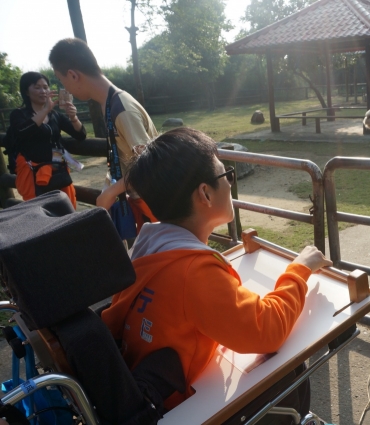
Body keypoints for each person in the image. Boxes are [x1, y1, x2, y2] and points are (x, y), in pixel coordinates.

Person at [101, 127, 332, 422]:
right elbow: (267, 331)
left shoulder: (147, 248)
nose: (231, 184)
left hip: (143, 390)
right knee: (291, 366)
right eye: (227, 176)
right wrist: (301, 269)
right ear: (205, 194)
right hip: (177, 408)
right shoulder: (195, 272)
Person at [48, 38, 157, 234]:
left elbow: (149, 166)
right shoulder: (109, 103)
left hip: (157, 205)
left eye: (61, 80)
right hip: (144, 201)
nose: (65, 87)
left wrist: (112, 192)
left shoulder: (121, 109)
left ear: (73, 75)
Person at [9, 72, 86, 209]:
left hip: (57, 170)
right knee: (38, 212)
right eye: (37, 87)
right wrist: (44, 110)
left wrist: (74, 117)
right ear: (26, 91)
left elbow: (80, 135)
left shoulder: (55, 115)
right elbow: (22, 132)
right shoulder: (19, 114)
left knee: (67, 209)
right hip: (32, 172)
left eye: (45, 87)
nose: (43, 91)